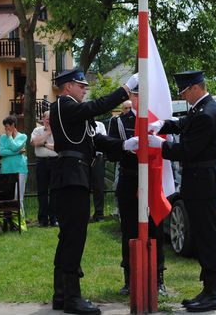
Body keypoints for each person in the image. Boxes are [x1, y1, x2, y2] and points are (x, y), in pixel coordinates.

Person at [49, 68, 138, 315]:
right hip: (70, 175)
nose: (84, 89)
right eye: (81, 85)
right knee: (73, 237)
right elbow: (94, 108)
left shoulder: (75, 112)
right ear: (68, 87)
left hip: (76, 175)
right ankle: (71, 298)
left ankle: (61, 294)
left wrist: (124, 145)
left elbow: (95, 141)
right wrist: (125, 90)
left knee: (70, 236)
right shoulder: (63, 105)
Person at [148, 71, 216, 312]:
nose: (183, 97)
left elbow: (187, 150)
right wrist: (164, 123)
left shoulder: (207, 113)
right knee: (203, 234)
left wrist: (162, 145)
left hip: (202, 180)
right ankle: (208, 289)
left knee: (206, 236)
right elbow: (184, 124)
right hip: (198, 180)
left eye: (184, 92)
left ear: (195, 88)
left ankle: (213, 291)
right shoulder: (201, 109)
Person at [108, 87, 166, 297]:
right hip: (129, 178)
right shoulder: (119, 122)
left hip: (151, 178)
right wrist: (124, 146)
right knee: (129, 229)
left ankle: (158, 277)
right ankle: (129, 278)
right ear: (130, 97)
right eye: (135, 94)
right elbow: (112, 153)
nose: (139, 98)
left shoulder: (156, 119)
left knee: (155, 228)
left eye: (143, 94)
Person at [30, 110, 58, 227]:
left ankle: (54, 218)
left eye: (51, 118)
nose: (49, 121)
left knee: (54, 191)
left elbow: (58, 147)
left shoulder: (58, 130)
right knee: (42, 191)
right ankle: (42, 219)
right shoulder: (37, 130)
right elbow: (34, 142)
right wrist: (47, 133)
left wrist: (44, 143)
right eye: (47, 118)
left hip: (55, 162)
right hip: (41, 162)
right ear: (43, 119)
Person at [0, 115, 28, 218]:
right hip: (6, 170)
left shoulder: (23, 136)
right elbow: (2, 152)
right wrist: (17, 152)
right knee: (7, 196)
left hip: (20, 169)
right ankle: (8, 220)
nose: (5, 129)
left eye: (7, 126)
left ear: (13, 125)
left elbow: (15, 146)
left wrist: (10, 137)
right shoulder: (2, 137)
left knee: (18, 196)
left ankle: (21, 220)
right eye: (5, 126)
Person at [90, 120, 107, 222]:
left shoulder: (100, 125)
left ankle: (99, 213)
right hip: (85, 157)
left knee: (98, 186)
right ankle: (83, 214)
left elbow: (103, 140)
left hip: (97, 157)